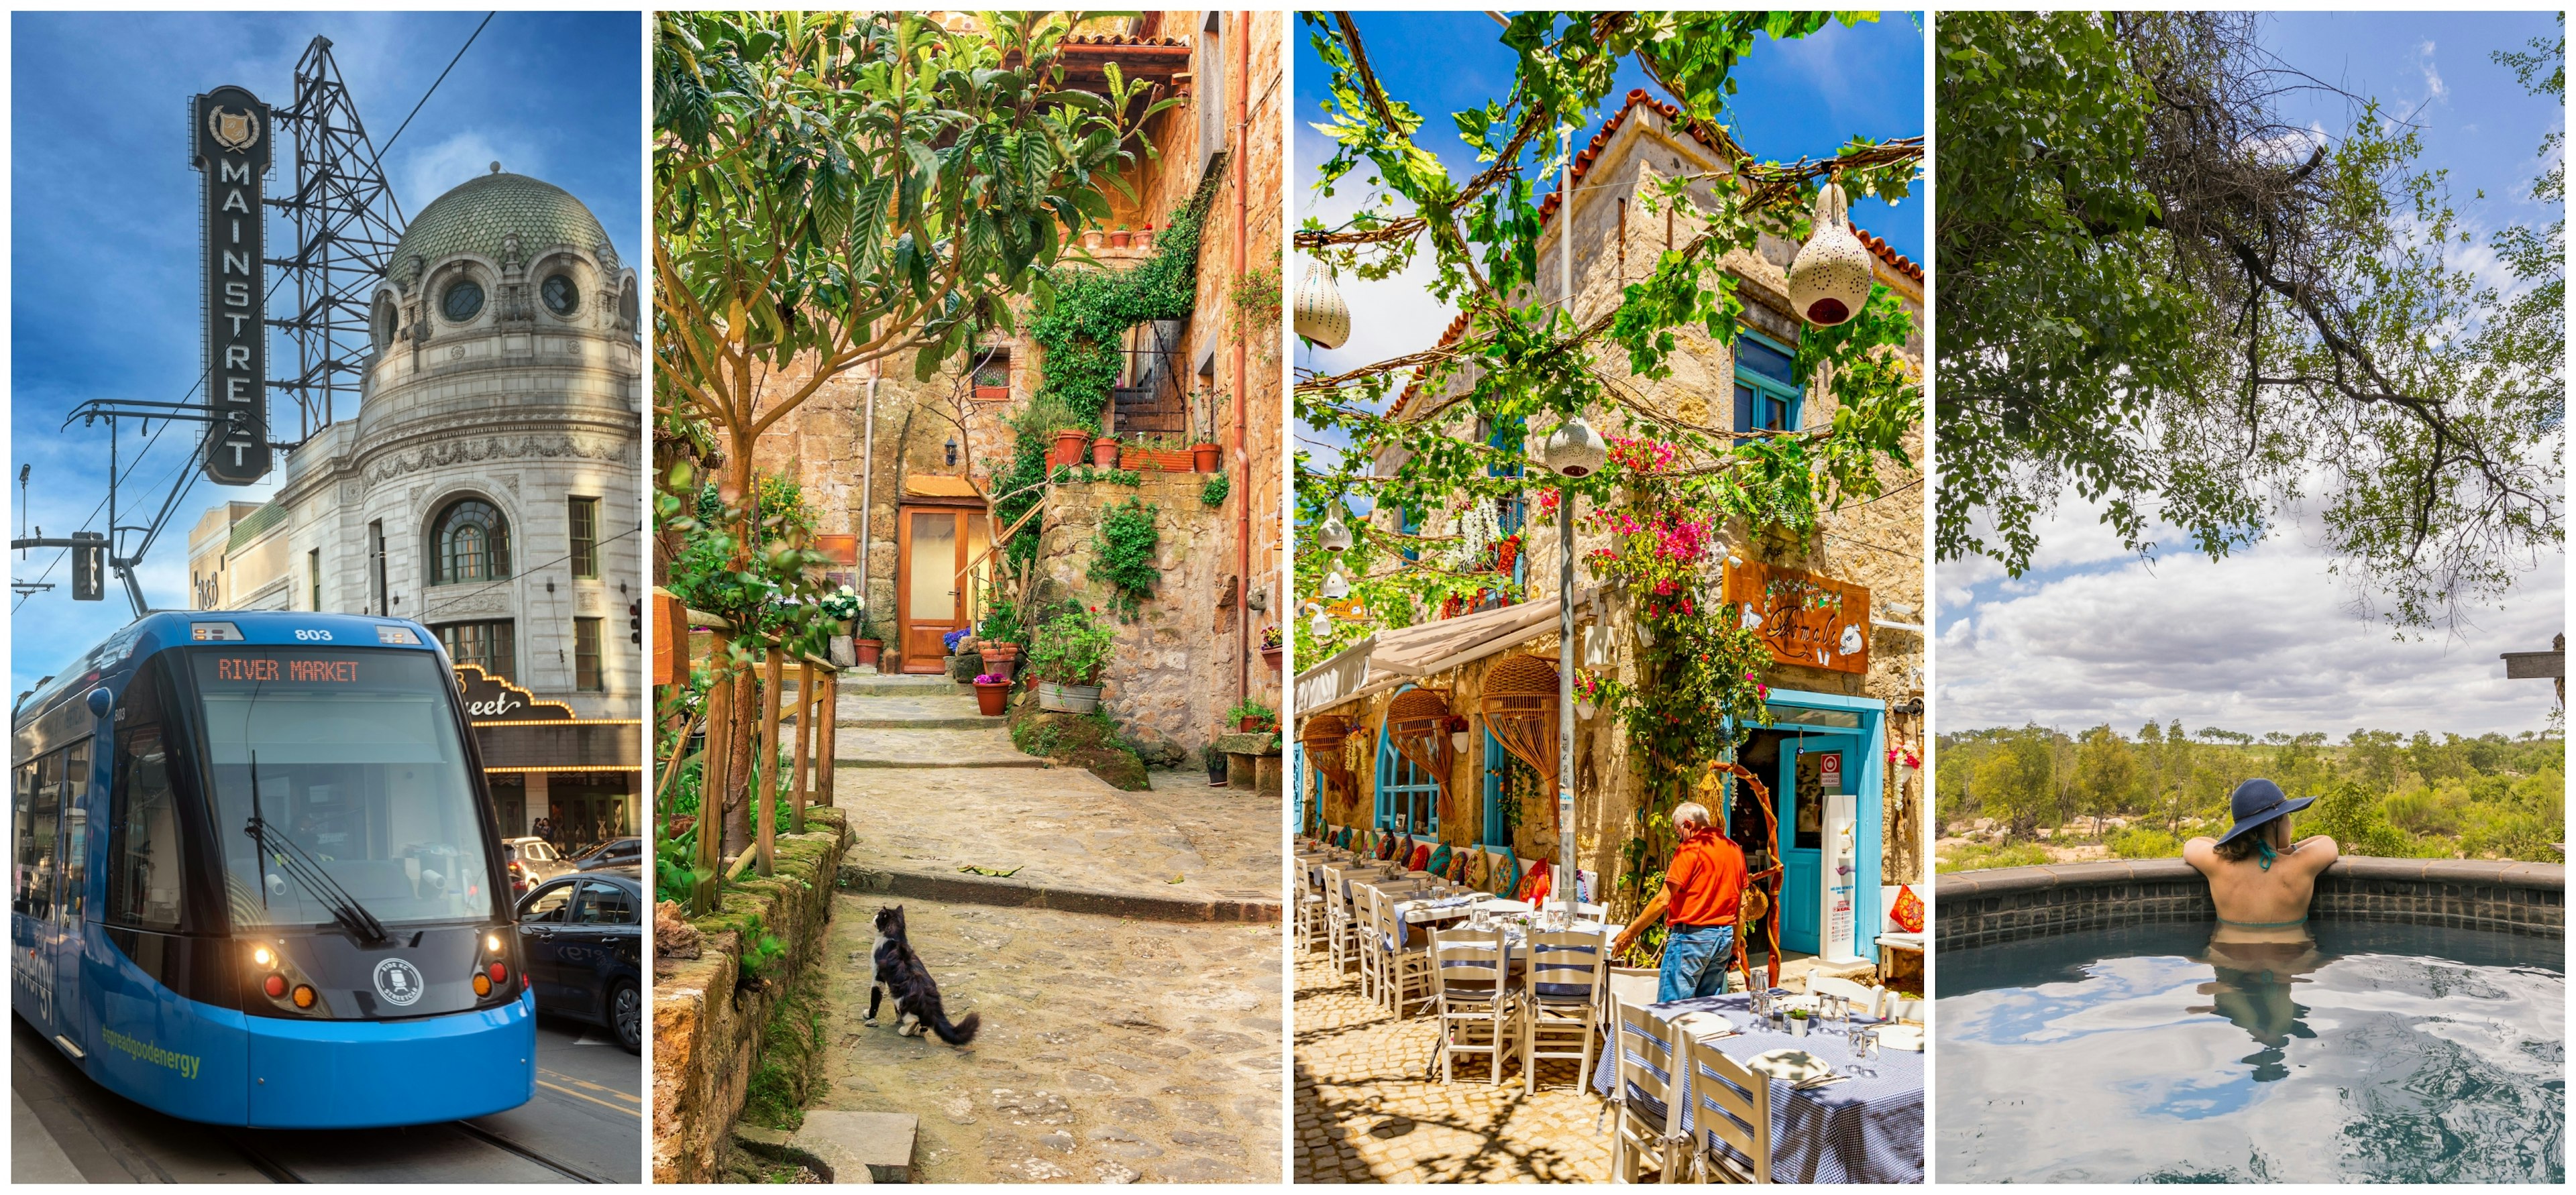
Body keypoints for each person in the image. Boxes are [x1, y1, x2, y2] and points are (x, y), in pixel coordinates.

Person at [2182, 778, 2337, 1070]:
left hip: (2229, 956)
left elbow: (2192, 845)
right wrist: (2290, 849)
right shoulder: (2301, 865)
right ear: (2277, 823)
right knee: (2280, 987)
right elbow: (2328, 842)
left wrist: (2232, 846)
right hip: (2289, 957)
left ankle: (2247, 1017)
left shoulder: (2218, 865)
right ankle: (2276, 1029)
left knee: (2227, 984)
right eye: (2288, 818)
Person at [1609, 801, 1748, 1003]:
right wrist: (1735, 945)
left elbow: (1663, 900)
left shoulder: (1690, 848)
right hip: (1723, 939)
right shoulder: (1733, 848)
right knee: (1708, 1010)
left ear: (1689, 825)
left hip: (1692, 938)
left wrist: (1631, 933)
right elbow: (1741, 905)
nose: (1678, 839)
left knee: (1671, 1009)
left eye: (1677, 833)